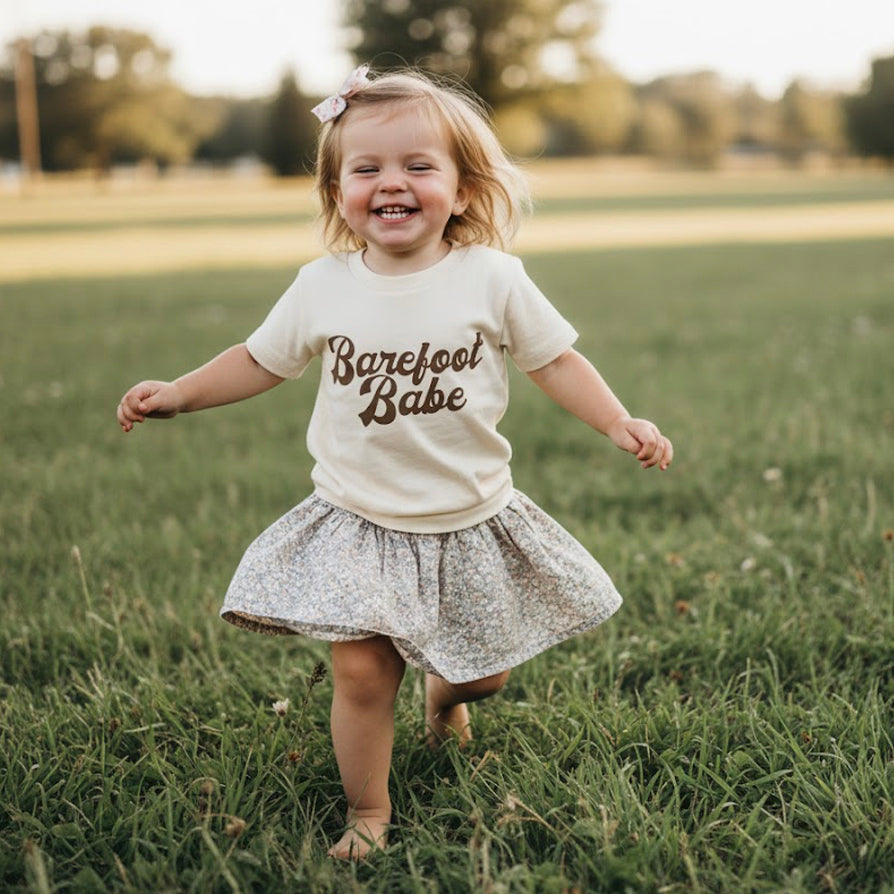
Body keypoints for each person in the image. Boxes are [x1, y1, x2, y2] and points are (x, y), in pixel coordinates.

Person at [116, 65, 673, 861]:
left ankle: (448, 692)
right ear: (337, 189)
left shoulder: (492, 278)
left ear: (462, 185)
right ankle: (368, 814)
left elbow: (554, 362)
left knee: (484, 676)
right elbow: (261, 359)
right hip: (360, 519)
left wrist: (618, 421)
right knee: (364, 675)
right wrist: (180, 392)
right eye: (367, 169)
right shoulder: (323, 286)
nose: (392, 184)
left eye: (418, 166)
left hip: (469, 516)